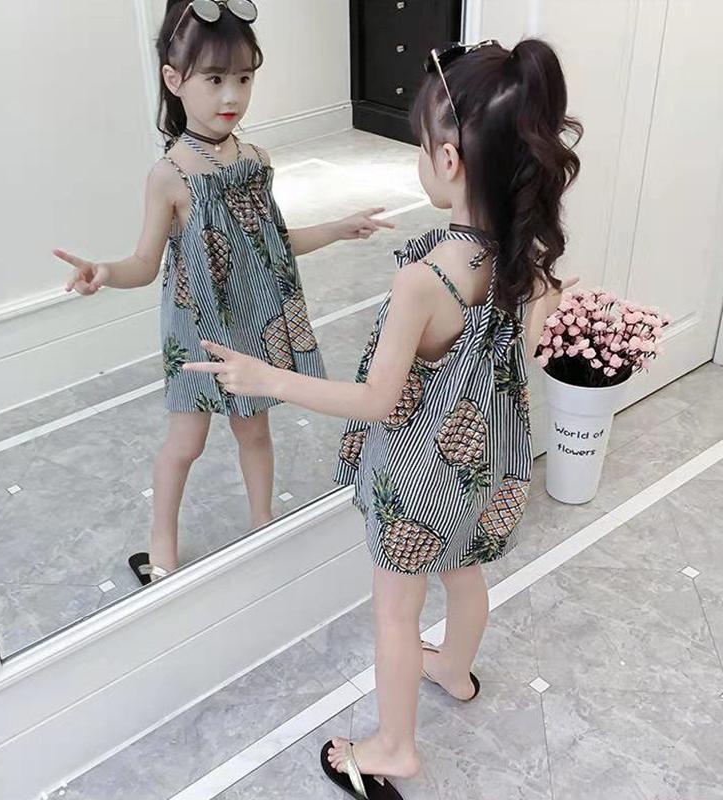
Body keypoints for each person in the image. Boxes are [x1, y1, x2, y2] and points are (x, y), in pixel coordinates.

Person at [187, 37, 582, 798]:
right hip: (483, 463)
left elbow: (375, 401)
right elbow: (531, 350)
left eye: (420, 145)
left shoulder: (425, 280)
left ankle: (395, 747)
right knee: (462, 569)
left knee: (396, 612)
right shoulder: (523, 257)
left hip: (418, 475)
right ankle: (456, 670)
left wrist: (265, 376)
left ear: (449, 161)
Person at [54, 0, 393, 586]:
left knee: (254, 431)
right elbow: (145, 264)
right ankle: (162, 546)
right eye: (214, 79)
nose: (231, 95)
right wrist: (104, 272)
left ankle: (263, 525)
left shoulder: (257, 161)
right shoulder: (171, 176)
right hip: (197, 330)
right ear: (174, 80)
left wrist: (338, 228)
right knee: (186, 441)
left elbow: (274, 244)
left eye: (243, 77)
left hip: (254, 324)